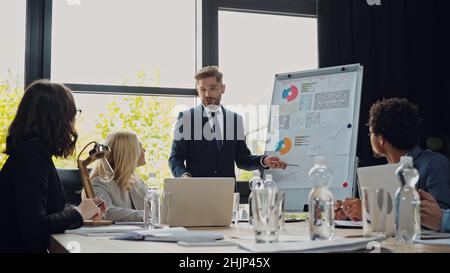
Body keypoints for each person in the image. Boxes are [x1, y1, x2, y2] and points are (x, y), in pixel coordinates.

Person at [0, 80, 105, 252]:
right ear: (57, 119)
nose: (73, 123)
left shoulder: (31, 154)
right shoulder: (32, 157)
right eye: (72, 114)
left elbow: (42, 210)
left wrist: (83, 210)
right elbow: (35, 226)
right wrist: (78, 213)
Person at [336, 98, 450, 221]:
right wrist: (350, 212)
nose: (370, 138)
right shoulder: (383, 172)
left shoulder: (435, 163)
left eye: (371, 133)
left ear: (381, 138)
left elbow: (437, 215)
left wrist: (370, 211)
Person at [169, 66, 287, 178]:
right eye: (203, 89)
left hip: (228, 192)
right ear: (198, 90)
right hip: (198, 191)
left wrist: (263, 160)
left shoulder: (235, 120)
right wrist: (184, 175)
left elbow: (242, 159)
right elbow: (175, 158)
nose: (207, 94)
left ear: (222, 88)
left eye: (213, 88)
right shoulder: (186, 118)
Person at [91, 131, 148, 222]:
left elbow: (155, 208)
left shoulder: (137, 182)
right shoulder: (99, 183)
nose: (144, 150)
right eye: (139, 146)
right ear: (128, 153)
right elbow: (106, 212)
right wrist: (147, 215)